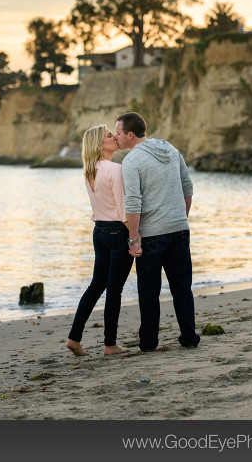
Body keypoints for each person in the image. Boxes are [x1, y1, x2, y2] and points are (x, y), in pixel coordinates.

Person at [114, 112, 200, 352]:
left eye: (118, 133)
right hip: (180, 229)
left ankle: (149, 343)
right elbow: (188, 186)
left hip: (152, 235)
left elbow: (133, 202)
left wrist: (133, 238)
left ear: (130, 135)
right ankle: (189, 338)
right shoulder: (171, 150)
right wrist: (180, 217)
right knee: (182, 287)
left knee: (149, 291)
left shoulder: (131, 161)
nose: (117, 137)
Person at [66, 125, 134, 357]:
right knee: (114, 290)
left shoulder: (89, 170)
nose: (114, 137)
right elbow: (124, 210)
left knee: (96, 285)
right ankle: (110, 344)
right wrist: (135, 237)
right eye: (109, 136)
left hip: (99, 232)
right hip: (117, 233)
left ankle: (74, 338)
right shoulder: (115, 169)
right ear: (99, 145)